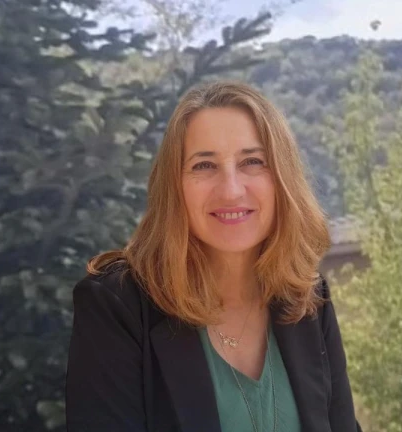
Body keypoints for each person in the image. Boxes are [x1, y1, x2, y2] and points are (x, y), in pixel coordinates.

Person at [65, 80, 362, 432]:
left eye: (253, 161)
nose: (231, 190)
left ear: (283, 180)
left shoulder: (309, 299)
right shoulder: (116, 307)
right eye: (204, 165)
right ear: (174, 186)